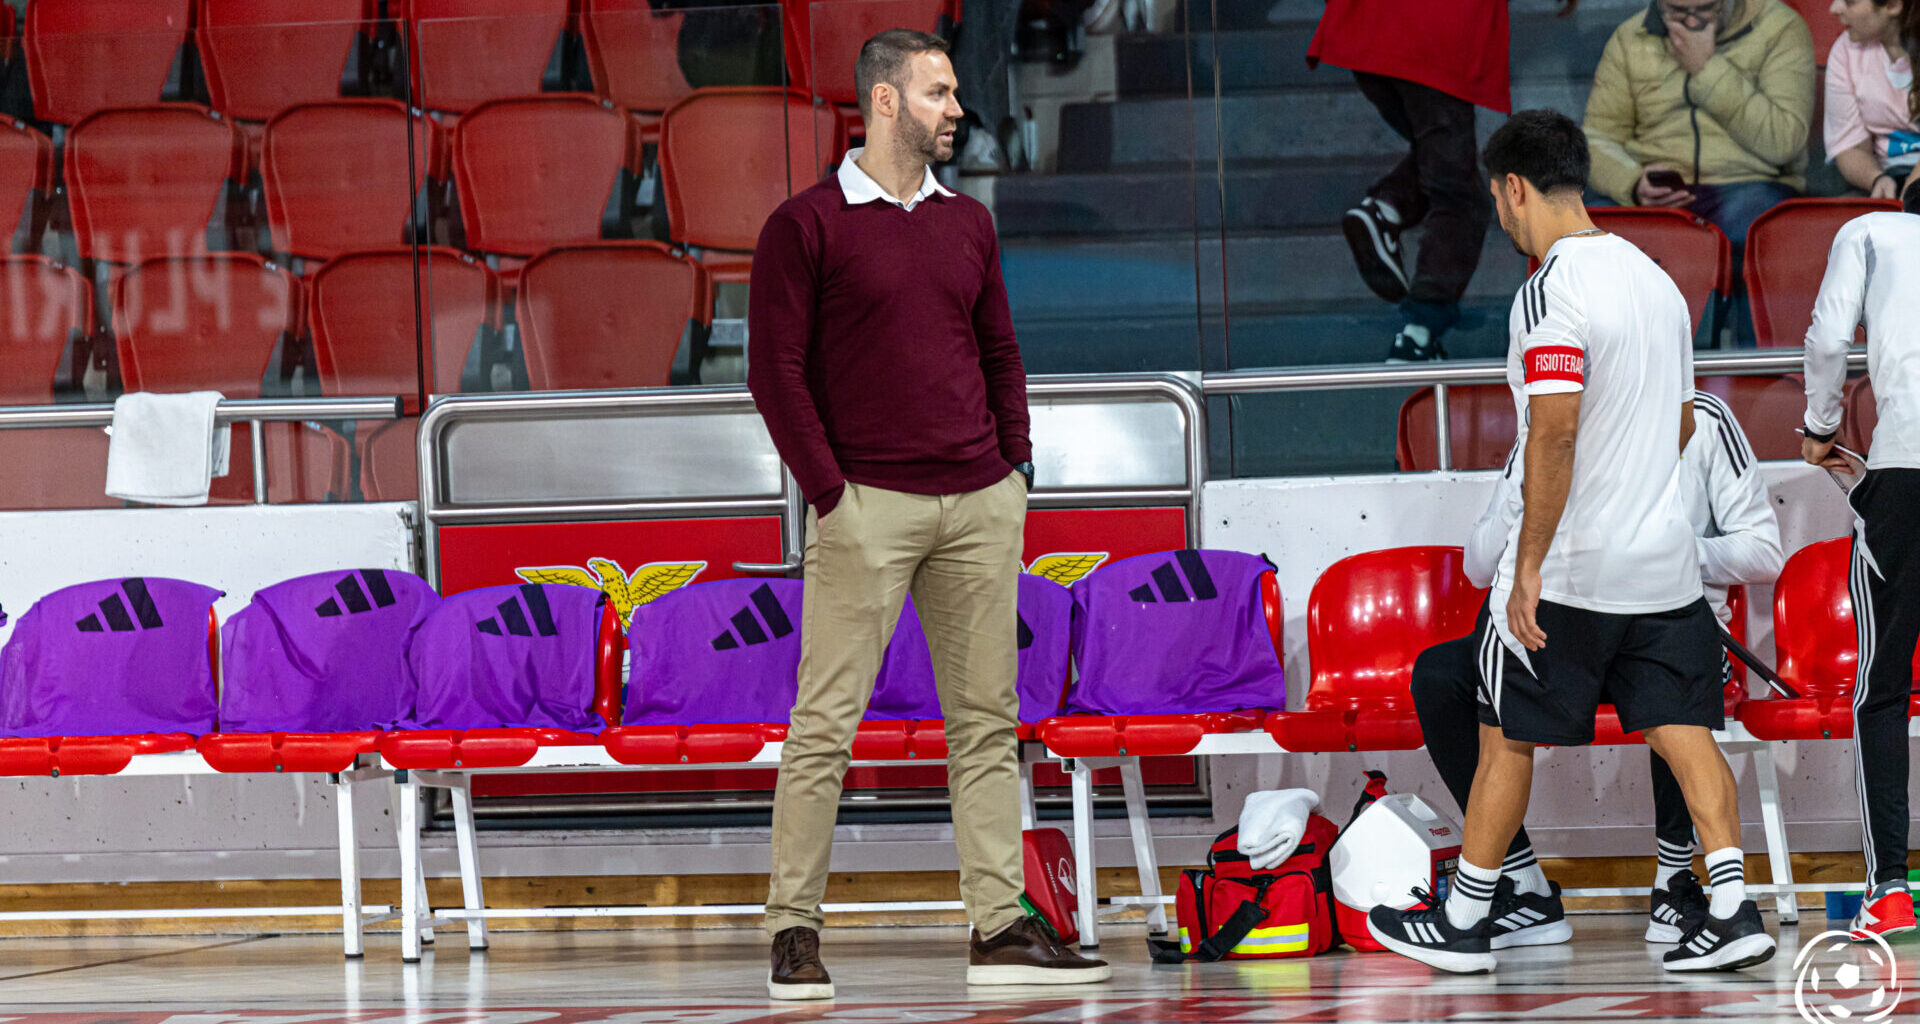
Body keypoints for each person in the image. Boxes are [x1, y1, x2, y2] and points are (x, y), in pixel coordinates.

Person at [1368, 109, 1776, 975]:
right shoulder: (1658, 281)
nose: (1504, 220)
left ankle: (1473, 915)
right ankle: (1734, 908)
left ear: (1514, 188)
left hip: (1576, 573)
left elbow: (1550, 436)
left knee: (1504, 733)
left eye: (1499, 203)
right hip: (1664, 569)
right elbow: (1676, 424)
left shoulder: (1551, 290)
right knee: (1685, 731)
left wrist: (1527, 566)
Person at [746, 28, 1110, 1000]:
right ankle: (793, 928)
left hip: (979, 499)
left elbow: (1000, 351)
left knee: (987, 723)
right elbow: (773, 375)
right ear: (885, 100)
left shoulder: (968, 224)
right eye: (940, 92)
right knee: (825, 725)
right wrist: (833, 495)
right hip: (866, 504)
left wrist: (1014, 471)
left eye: (954, 92)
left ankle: (998, 924)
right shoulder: (805, 224)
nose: (957, 108)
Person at [1410, 389, 1784, 951]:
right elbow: (1479, 562)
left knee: (1672, 678)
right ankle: (1522, 883)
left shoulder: (1699, 416)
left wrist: (1665, 552)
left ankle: (1674, 882)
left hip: (1665, 618)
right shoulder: (1550, 419)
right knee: (1444, 675)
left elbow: (1763, 551)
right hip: (1563, 628)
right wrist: (1524, 506)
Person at [1800, 176, 1920, 941]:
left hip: (1907, 474)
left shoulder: (1875, 232)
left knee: (1881, 690)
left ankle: (1890, 890)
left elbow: (1826, 339)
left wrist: (1819, 424)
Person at [1307, 0, 1542, 362]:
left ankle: (1385, 211)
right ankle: (1420, 331)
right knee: (1460, 196)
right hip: (1432, 36)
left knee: (1445, 165)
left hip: (1368, 28)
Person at [1585, 0, 1814, 347]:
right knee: (1589, 234)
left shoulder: (1779, 27)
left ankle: (1758, 378)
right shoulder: (1631, 37)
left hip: (1749, 182)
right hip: (1657, 187)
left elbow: (1784, 141)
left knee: (1755, 230)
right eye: (1677, 12)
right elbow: (1596, 139)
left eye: (1705, 9)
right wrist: (1632, 182)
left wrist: (1707, 69)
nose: (1691, 21)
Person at [1824, 0, 1917, 199]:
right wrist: (1877, 179)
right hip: (1891, 175)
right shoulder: (1845, 51)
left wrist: (1910, 195)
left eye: (1849, 2)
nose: (1834, 9)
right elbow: (1849, 146)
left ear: (1893, 5)